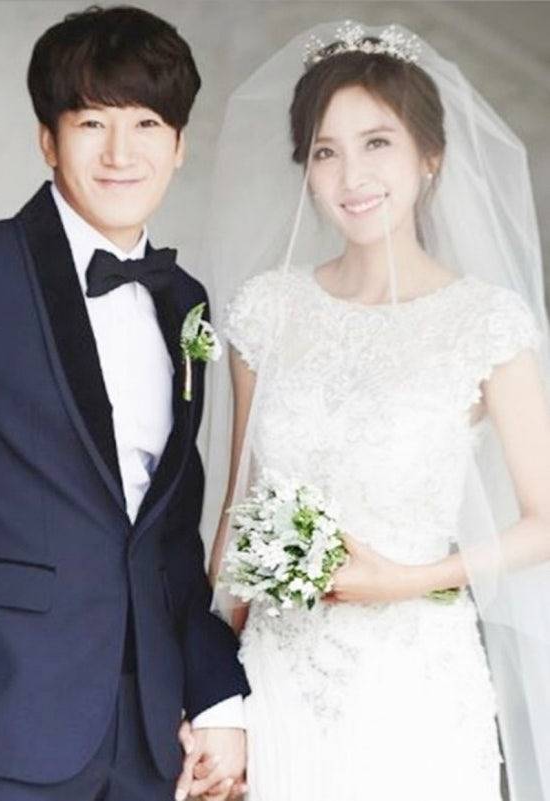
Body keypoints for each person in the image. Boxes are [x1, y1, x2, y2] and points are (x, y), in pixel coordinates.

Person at [206, 20, 550, 801]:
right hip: (278, 678)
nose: (351, 175)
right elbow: (236, 514)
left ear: (431, 156)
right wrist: (210, 694)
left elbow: (545, 519)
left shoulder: (484, 321)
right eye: (326, 151)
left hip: (418, 684)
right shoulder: (268, 311)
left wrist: (408, 579)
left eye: (377, 143)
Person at [0, 7, 250, 801]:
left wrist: (216, 694)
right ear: (48, 139)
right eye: (92, 123)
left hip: (152, 737)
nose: (120, 152)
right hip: (1, 710)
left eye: (146, 124)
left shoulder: (185, 301)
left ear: (179, 144)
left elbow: (168, 534)